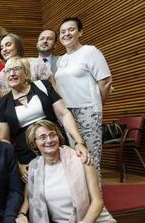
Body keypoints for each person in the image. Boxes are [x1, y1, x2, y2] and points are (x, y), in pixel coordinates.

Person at [16, 120, 121, 223]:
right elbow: (28, 197)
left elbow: (98, 201)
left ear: (58, 137)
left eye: (52, 135)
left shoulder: (82, 159)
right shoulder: (34, 168)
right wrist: (21, 214)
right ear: (34, 143)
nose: (49, 140)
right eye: (43, 137)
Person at [0, 57, 88, 183]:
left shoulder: (43, 86)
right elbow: (5, 139)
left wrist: (79, 142)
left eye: (16, 69)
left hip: (54, 144)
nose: (12, 74)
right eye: (7, 70)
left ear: (26, 72)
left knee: (68, 182)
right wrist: (18, 165)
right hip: (27, 155)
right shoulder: (3, 103)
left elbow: (64, 114)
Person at [55, 17, 112, 180]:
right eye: (62, 31)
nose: (66, 34)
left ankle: (99, 203)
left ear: (80, 32)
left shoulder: (89, 51)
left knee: (90, 158)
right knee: (73, 159)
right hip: (67, 113)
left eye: (71, 29)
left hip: (88, 111)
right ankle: (82, 202)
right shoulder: (61, 60)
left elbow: (106, 81)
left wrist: (98, 105)